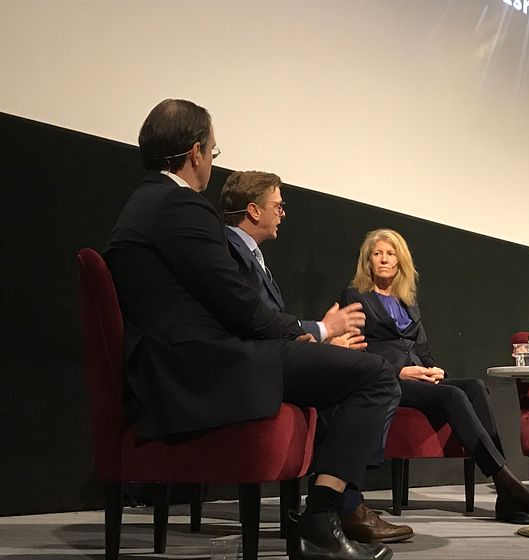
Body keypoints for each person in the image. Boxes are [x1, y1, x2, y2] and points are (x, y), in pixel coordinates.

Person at [105, 99, 399, 560]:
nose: (210, 165)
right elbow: (238, 302)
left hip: (175, 363)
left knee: (344, 371)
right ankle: (322, 519)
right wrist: (306, 332)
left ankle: (327, 515)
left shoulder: (139, 204)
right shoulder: (180, 205)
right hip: (205, 367)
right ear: (196, 152)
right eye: (213, 153)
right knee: (375, 374)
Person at [219, 170, 413, 544]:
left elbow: (263, 319)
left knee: (356, 389)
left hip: (272, 354)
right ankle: (329, 509)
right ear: (254, 210)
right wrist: (323, 331)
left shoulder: (249, 253)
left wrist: (309, 338)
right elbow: (250, 318)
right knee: (378, 375)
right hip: (251, 365)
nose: (283, 213)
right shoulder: (229, 250)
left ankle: (337, 505)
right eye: (278, 205)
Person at [340, 229, 529, 526]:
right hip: (387, 380)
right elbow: (353, 352)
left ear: (400, 262)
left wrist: (436, 370)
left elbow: (422, 348)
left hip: (418, 376)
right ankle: (509, 488)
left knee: (474, 386)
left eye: (390, 253)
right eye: (377, 254)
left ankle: (504, 493)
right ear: (368, 261)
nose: (384, 259)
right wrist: (398, 371)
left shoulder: (408, 301)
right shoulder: (355, 296)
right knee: (453, 395)